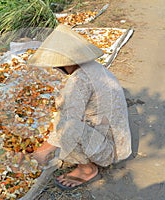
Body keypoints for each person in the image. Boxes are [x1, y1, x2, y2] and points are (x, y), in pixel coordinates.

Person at [27, 24, 132, 190]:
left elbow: (69, 122)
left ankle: (87, 169)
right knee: (65, 115)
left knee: (66, 125)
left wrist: (41, 152)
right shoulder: (93, 67)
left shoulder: (79, 81)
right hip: (119, 142)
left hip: (108, 150)